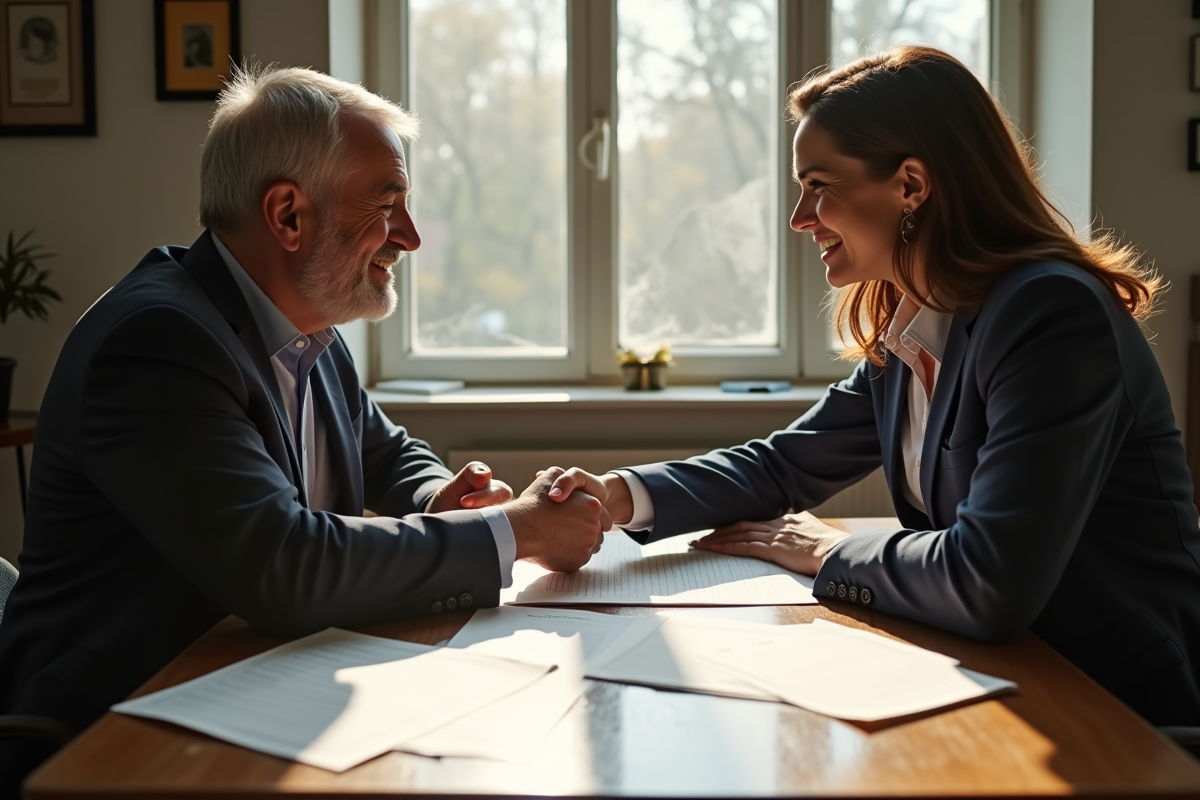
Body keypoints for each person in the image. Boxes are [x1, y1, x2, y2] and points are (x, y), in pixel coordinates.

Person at [548, 46, 1200, 727]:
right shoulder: (921, 320)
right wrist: (618, 497)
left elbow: (989, 579)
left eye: (820, 184)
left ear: (911, 186)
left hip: (1114, 702)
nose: (800, 217)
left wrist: (824, 548)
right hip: (1008, 675)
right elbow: (786, 464)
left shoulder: (1050, 314)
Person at [0, 65, 606, 790]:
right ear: (288, 216)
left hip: (250, 689)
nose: (409, 237)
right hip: (111, 735)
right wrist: (519, 530)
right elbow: (281, 562)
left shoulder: (308, 331)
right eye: (389, 205)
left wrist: (442, 491)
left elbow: (387, 450)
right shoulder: (159, 341)